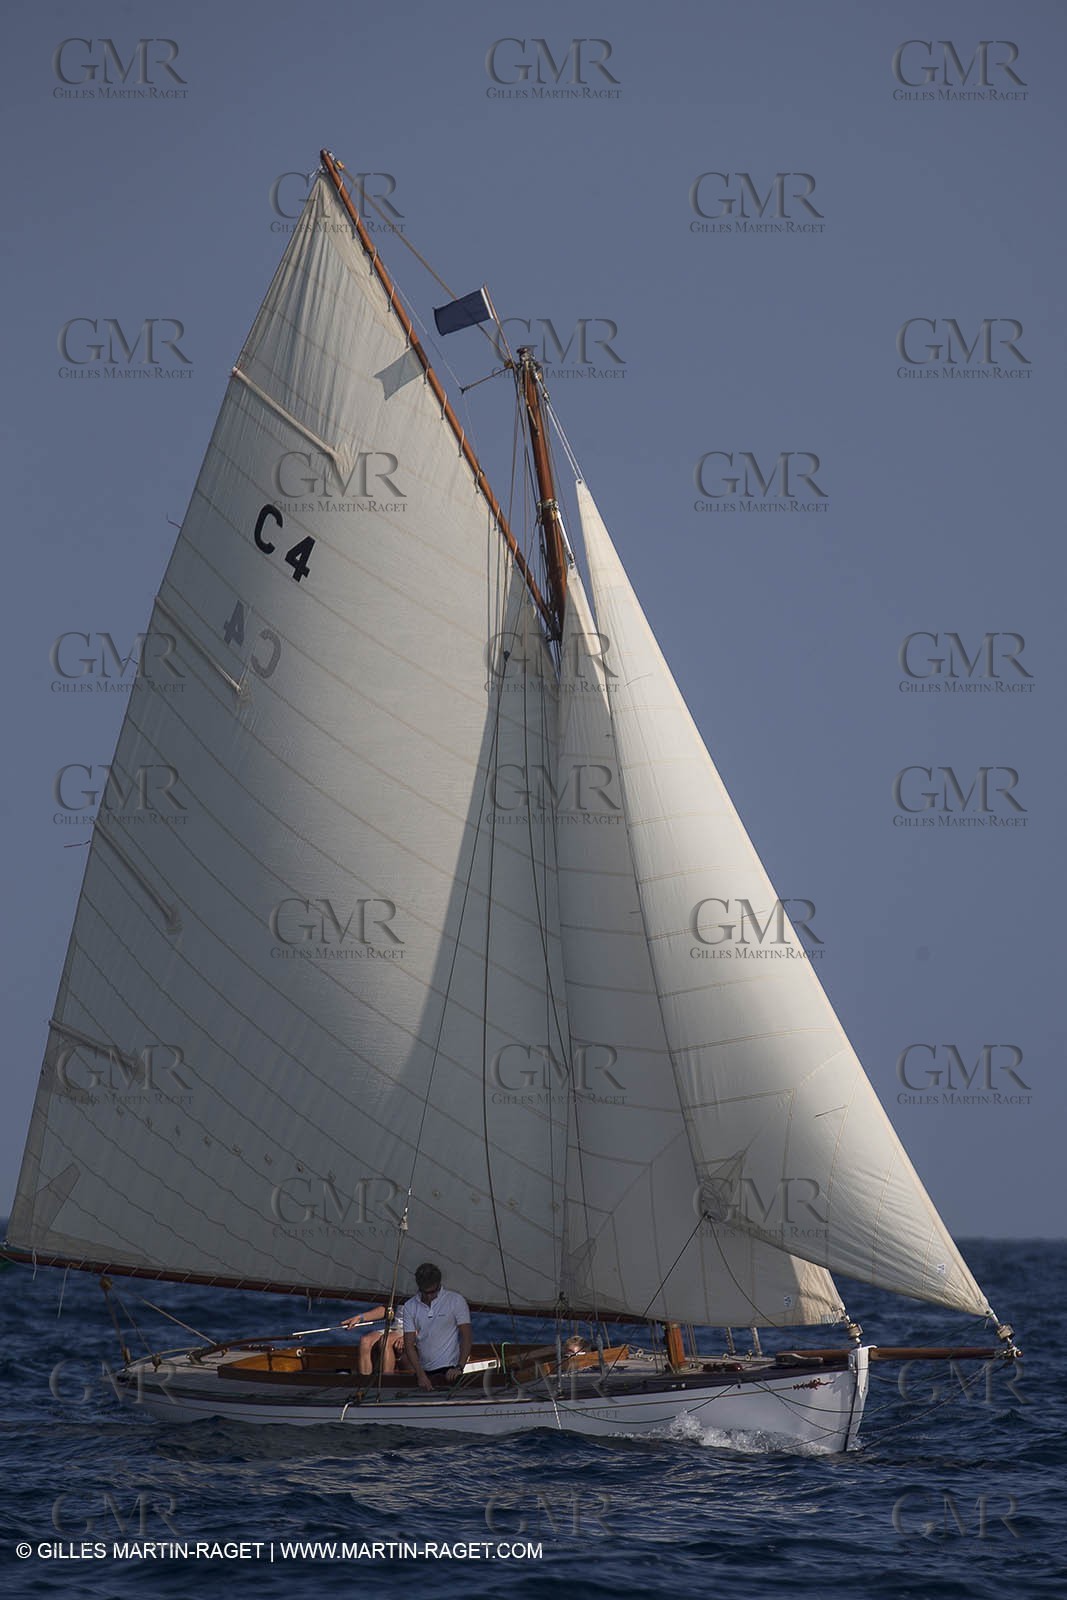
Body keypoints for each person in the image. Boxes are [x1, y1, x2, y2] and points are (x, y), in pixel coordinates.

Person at [402, 1262, 472, 1391]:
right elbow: (409, 1345)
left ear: (439, 1285)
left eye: (433, 1292)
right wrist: (420, 1375)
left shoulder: (456, 1300)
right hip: (424, 1372)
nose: (429, 1296)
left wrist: (459, 1367)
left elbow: (466, 1337)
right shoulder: (409, 1306)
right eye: (425, 1292)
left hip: (450, 1371)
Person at [339, 1305, 409, 1377]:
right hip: (396, 1328)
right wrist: (360, 1318)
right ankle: (364, 1383)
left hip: (414, 1330)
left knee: (385, 1341)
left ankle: (387, 1382)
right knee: (365, 1341)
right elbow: (388, 1310)